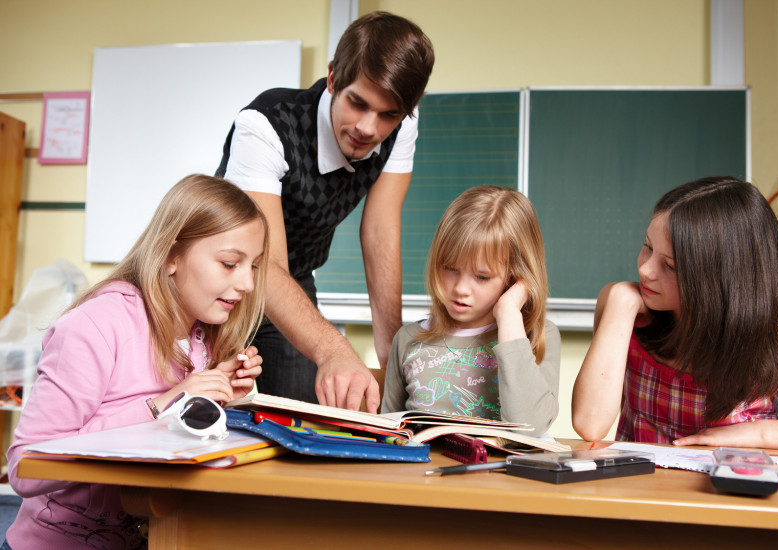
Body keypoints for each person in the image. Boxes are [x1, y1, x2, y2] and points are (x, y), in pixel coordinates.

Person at [5, 174, 269, 549]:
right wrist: (163, 405)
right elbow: (25, 468)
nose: (248, 284)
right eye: (230, 264)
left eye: (254, 266)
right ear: (170, 255)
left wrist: (220, 399)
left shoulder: (204, 336)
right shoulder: (95, 326)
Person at [215, 11, 435, 412]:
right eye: (358, 103)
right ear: (333, 78)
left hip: (293, 279)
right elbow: (264, 265)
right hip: (224, 281)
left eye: (388, 114)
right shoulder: (265, 125)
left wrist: (393, 360)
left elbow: (381, 232)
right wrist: (333, 347)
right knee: (216, 416)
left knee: (302, 419)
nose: (369, 128)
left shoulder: (401, 127)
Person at [572, 176, 778, 449]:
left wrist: (759, 433)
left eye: (669, 265)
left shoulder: (767, 343)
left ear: (719, 279)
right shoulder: (622, 310)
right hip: (638, 488)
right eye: (648, 246)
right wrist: (621, 300)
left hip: (724, 490)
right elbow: (590, 423)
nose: (645, 270)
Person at [380, 186, 560, 435]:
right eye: (450, 268)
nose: (461, 288)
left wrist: (508, 312)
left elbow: (530, 429)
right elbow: (389, 436)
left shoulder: (537, 336)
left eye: (482, 277)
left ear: (514, 278)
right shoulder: (408, 339)